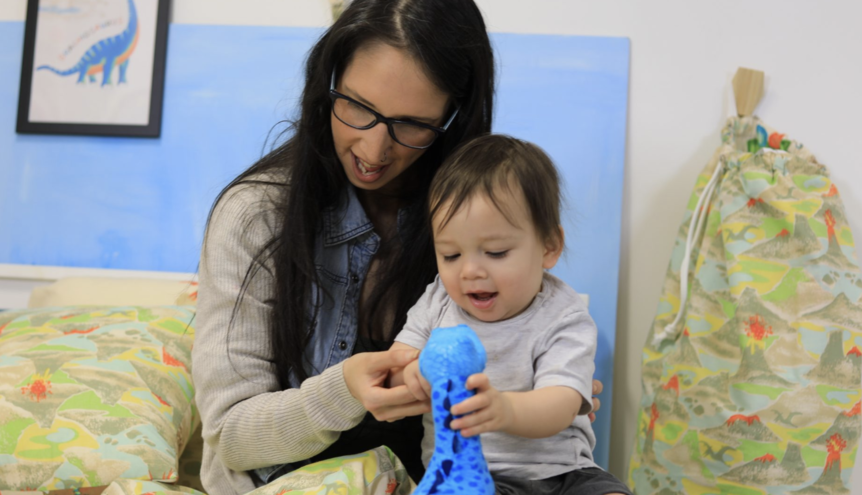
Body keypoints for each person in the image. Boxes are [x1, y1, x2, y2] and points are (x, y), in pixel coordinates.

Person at [191, 1, 601, 493]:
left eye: (411, 125)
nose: (373, 150)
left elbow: (540, 359)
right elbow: (228, 435)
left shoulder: (472, 219)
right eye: (358, 107)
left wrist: (545, 391)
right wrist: (344, 391)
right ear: (328, 84)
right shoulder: (254, 217)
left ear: (453, 118)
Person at [389, 134, 630, 495]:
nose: (469, 271)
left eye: (496, 252)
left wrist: (505, 409)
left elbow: (562, 402)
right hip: (469, 475)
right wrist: (414, 375)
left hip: (564, 474)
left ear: (549, 247)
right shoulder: (437, 302)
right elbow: (393, 369)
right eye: (451, 255)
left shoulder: (565, 315)